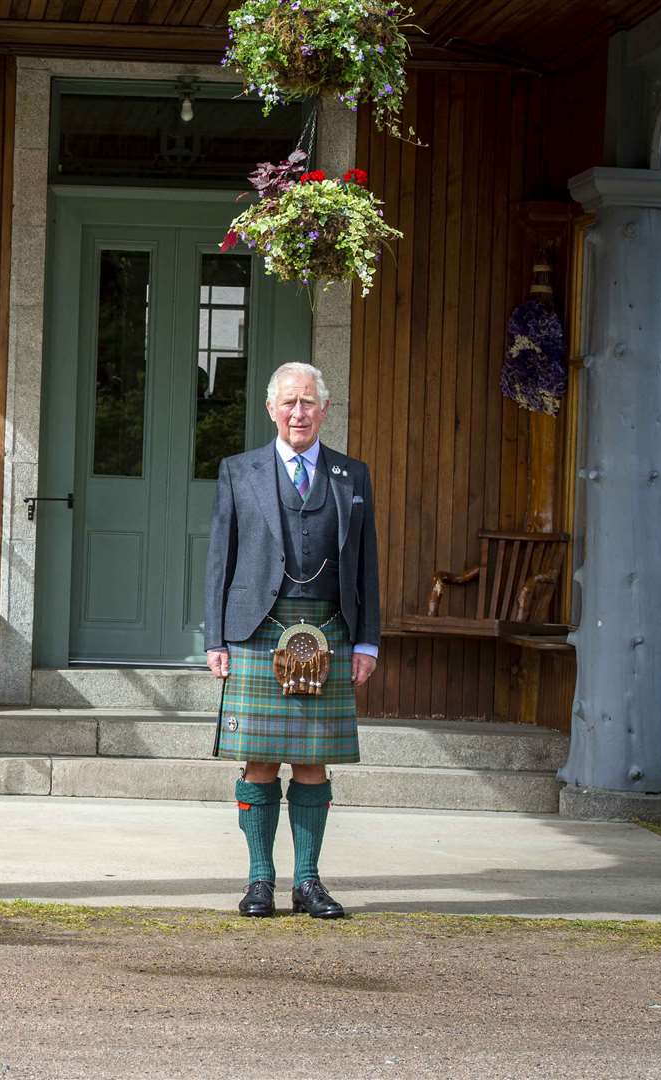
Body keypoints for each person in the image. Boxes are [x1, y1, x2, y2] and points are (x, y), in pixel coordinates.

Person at [203, 362, 381, 919]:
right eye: (289, 403)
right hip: (259, 629)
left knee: (312, 762)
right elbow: (220, 560)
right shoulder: (240, 470)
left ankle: (309, 882)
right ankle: (260, 881)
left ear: (324, 409)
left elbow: (368, 565)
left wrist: (367, 642)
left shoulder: (352, 475)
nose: (298, 412)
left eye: (308, 402)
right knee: (258, 760)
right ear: (270, 409)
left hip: (329, 628)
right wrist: (217, 638)